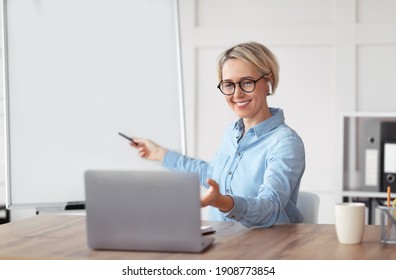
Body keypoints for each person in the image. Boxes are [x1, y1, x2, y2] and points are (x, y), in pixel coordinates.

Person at [131, 41, 305, 228]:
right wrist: (159, 153)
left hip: (263, 247)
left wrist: (222, 202)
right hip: (221, 240)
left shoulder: (285, 142)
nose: (237, 94)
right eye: (228, 84)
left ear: (267, 81)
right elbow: (211, 175)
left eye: (247, 82)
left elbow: (269, 207)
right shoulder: (231, 133)